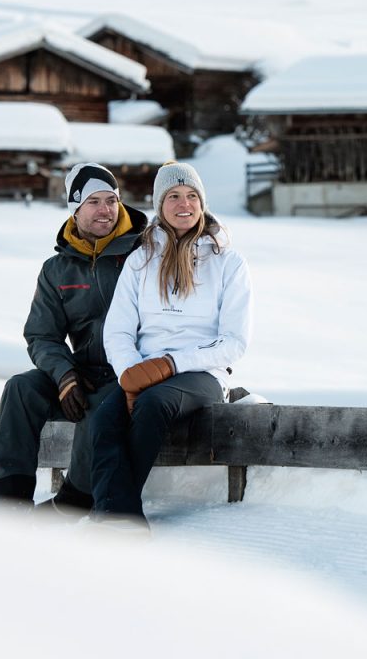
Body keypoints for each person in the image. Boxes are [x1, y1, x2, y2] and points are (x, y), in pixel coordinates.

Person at [90, 160, 252, 528]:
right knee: (105, 417)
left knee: (154, 404)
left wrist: (170, 365)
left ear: (202, 202)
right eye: (174, 196)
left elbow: (235, 342)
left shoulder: (228, 262)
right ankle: (116, 516)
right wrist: (131, 373)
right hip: (143, 372)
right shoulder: (140, 261)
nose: (185, 204)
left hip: (202, 373)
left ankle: (115, 517)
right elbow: (117, 331)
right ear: (159, 205)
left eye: (192, 196)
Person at [0, 162, 148, 514]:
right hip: (83, 370)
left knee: (100, 406)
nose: (105, 210)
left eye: (111, 200)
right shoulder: (57, 269)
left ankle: (75, 499)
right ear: (74, 209)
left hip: (131, 370)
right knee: (20, 388)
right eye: (93, 202)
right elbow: (42, 334)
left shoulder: (142, 253)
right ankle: (8, 504)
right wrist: (64, 374)